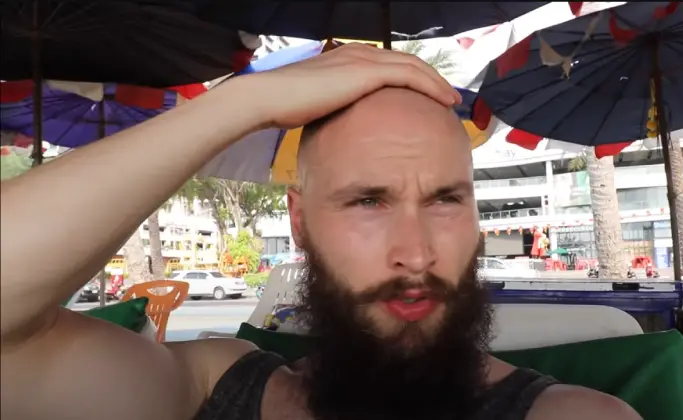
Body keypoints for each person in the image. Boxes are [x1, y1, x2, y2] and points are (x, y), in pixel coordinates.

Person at [0, 44, 641, 420]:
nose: (415, 253)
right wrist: (238, 105)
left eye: (446, 199)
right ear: (300, 224)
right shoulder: (210, 387)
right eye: (368, 201)